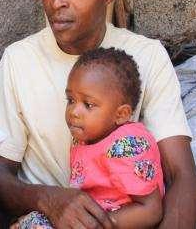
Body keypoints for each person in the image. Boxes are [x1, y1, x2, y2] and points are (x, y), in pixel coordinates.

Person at [0, 0, 196, 228]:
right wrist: (51, 200)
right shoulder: (19, 59)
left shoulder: (146, 56)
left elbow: (182, 175)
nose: (57, 0)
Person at [15, 48, 164, 229]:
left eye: (88, 104)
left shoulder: (126, 145)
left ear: (121, 114)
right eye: (70, 100)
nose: (74, 112)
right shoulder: (87, 138)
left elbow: (151, 210)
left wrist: (102, 225)